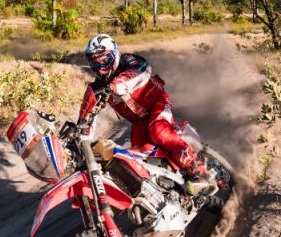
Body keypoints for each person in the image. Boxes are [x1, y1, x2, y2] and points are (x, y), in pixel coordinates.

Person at [78, 33, 217, 196]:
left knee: (159, 132)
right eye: (94, 62)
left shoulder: (129, 61)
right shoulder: (97, 87)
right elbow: (86, 118)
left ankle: (200, 172)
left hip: (157, 104)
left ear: (114, 54)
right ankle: (172, 192)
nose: (100, 66)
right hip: (139, 123)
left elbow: (140, 72)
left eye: (103, 60)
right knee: (134, 158)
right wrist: (80, 138)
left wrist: (113, 87)